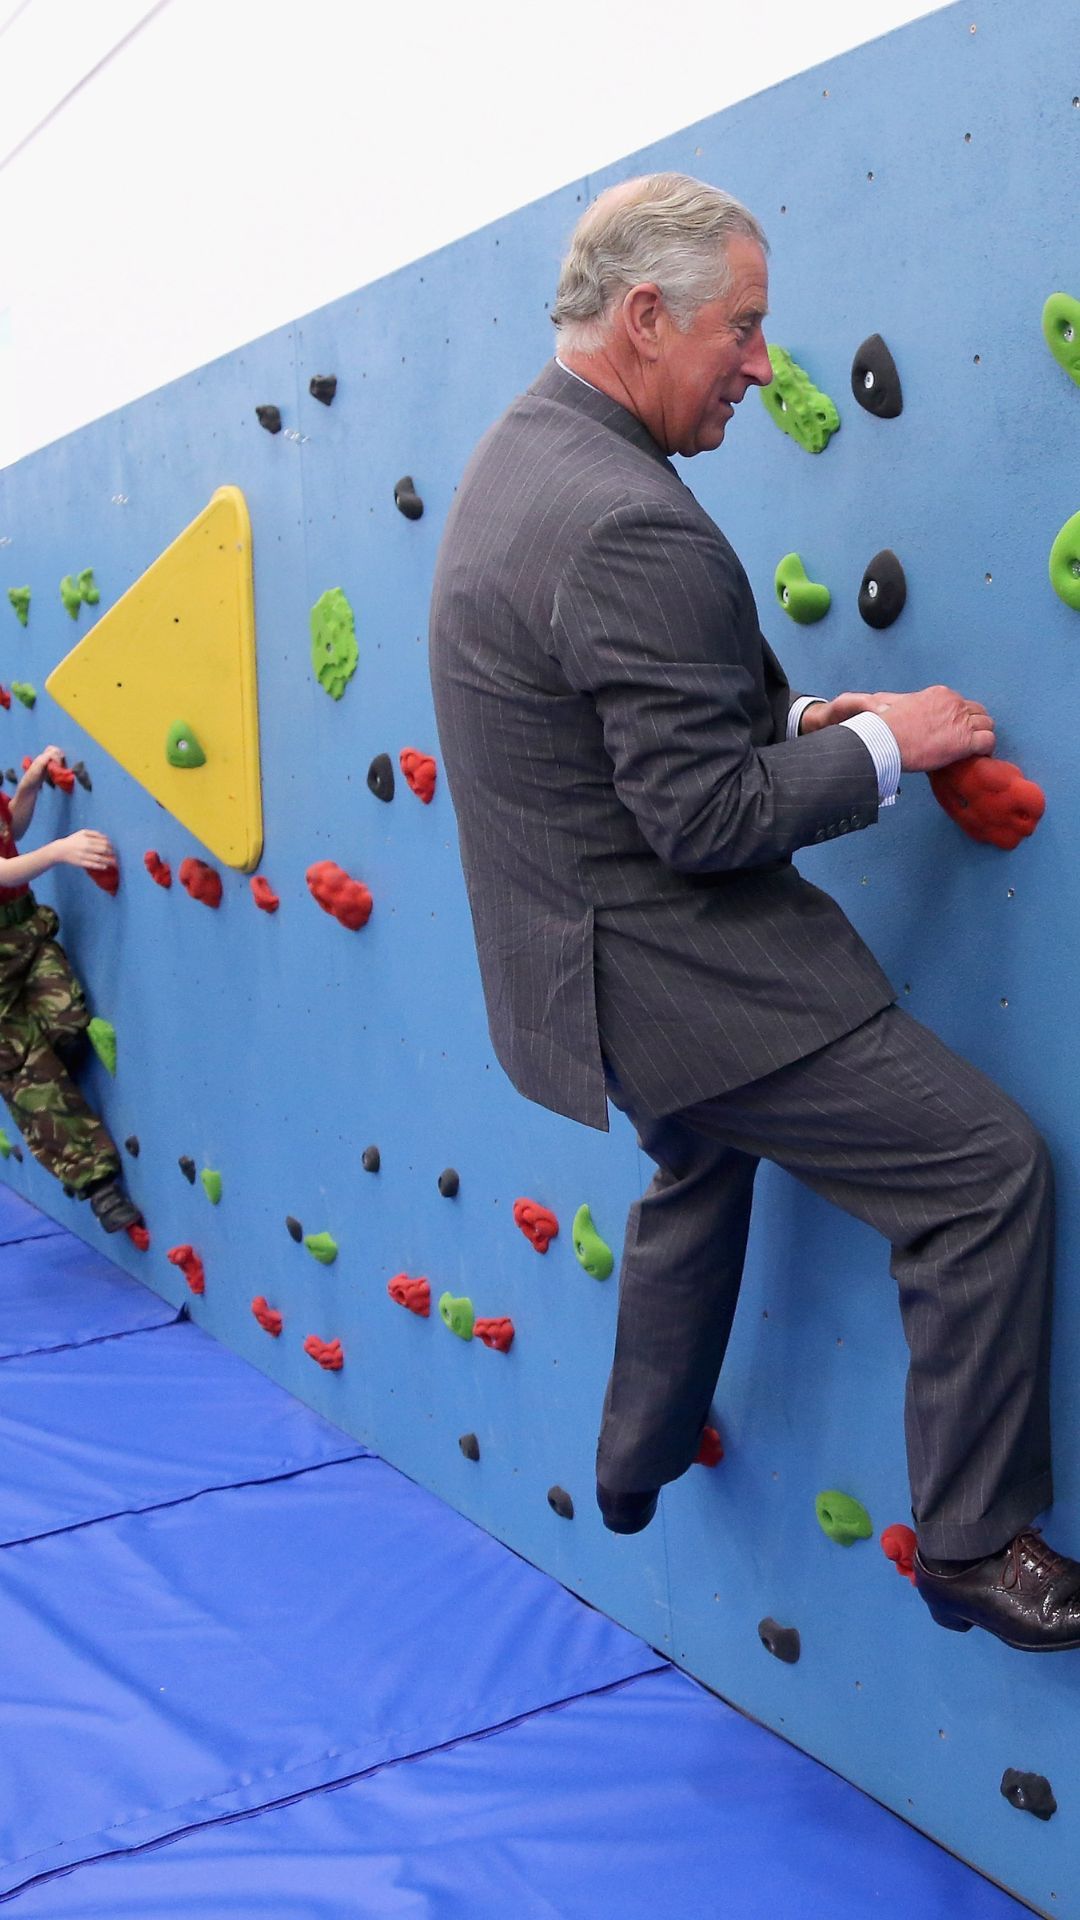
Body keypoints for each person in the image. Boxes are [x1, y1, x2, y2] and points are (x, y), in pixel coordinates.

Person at [429, 172, 1080, 1651]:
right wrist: (885, 746)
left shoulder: (529, 456)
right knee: (982, 1175)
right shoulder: (623, 520)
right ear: (648, 317)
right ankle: (974, 1545)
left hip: (578, 976)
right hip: (678, 977)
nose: (765, 364)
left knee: (698, 1166)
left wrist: (808, 715)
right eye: (747, 328)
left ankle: (635, 1455)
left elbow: (637, 709)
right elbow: (702, 816)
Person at [0, 745, 140, 1232]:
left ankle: (53, 1055)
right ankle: (98, 1187)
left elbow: (7, 836)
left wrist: (27, 791)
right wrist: (60, 851)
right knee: (31, 1080)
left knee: (65, 1025)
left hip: (23, 935)